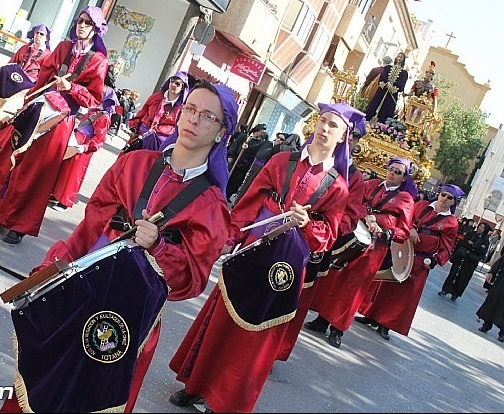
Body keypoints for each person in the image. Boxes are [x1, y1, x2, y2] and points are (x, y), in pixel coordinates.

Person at [0, 80, 236, 413]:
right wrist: (52, 270)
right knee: (42, 385)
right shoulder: (135, 162)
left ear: (222, 131)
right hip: (83, 291)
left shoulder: (212, 205)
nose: (194, 120)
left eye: (208, 116)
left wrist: (159, 248)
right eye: (191, 109)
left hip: (128, 319)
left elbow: (192, 280)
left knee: (91, 399)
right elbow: (90, 225)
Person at [168, 102, 362, 413]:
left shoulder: (338, 186)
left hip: (285, 267)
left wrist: (307, 223)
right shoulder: (282, 160)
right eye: (322, 121)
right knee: (221, 321)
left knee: (256, 336)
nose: (324, 128)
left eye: (333, 126)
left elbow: (328, 234)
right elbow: (248, 201)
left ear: (343, 138)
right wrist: (232, 238)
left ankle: (224, 402)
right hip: (252, 250)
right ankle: (195, 386)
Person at [0, 7, 109, 245]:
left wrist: (72, 89)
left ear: (96, 29)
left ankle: (19, 226)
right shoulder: (63, 48)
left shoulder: (98, 61)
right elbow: (42, 79)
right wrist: (25, 102)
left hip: (60, 120)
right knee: (11, 158)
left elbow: (93, 98)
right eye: (80, 20)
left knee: (37, 173)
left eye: (88, 23)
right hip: (38, 108)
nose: (82, 25)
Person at [276, 117, 367, 363]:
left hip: (311, 245)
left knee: (292, 301)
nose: (349, 139)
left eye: (353, 136)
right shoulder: (299, 158)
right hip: (274, 234)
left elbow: (348, 218)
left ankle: (274, 351)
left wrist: (315, 223)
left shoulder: (353, 178)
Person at [306, 157, 415, 348]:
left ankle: (338, 328)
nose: (393, 173)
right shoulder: (371, 184)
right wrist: (367, 216)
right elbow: (355, 202)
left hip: (375, 247)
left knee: (354, 288)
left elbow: (404, 231)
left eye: (398, 172)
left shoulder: (405, 200)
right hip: (354, 235)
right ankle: (322, 320)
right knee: (336, 278)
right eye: (391, 169)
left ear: (404, 178)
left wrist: (386, 230)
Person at [355, 185, 462, 340]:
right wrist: (410, 228)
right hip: (400, 249)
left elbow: (447, 247)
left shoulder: (451, 222)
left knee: (404, 293)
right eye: (443, 195)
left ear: (454, 202)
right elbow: (406, 219)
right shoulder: (422, 205)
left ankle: (386, 324)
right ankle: (371, 315)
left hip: (420, 260)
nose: (445, 199)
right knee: (385, 283)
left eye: (449, 197)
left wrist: (435, 260)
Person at [0, 24, 52, 152]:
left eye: (41, 34)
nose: (38, 36)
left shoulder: (47, 55)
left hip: (27, 88)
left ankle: (1, 144)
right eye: (37, 33)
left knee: (12, 114)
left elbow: (44, 75)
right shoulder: (24, 48)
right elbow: (12, 63)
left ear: (46, 38)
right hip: (13, 83)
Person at [49, 75, 118, 211]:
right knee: (64, 170)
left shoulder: (104, 117)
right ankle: (56, 194)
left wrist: (85, 147)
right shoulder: (93, 111)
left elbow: (99, 140)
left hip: (83, 149)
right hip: (75, 141)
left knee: (73, 175)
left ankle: (65, 201)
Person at [124, 71, 189, 151]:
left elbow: (177, 130)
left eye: (177, 83)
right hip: (141, 136)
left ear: (182, 87)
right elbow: (142, 112)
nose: (173, 85)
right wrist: (134, 127)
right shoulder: (156, 97)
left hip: (159, 144)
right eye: (172, 81)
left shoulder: (181, 109)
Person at [230, 132, 288, 206]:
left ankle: (242, 205)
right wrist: (247, 146)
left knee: (252, 190)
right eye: (278, 137)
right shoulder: (266, 143)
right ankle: (236, 203)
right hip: (254, 168)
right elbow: (254, 149)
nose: (279, 140)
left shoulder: (278, 150)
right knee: (246, 186)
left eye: (281, 139)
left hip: (263, 172)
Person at [438, 221, 491, 301]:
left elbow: (481, 252)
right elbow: (463, 243)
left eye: (483, 227)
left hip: (470, 263)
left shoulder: (485, 240)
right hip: (460, 258)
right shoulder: (471, 234)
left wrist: (473, 247)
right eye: (480, 226)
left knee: (463, 278)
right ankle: (445, 290)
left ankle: (455, 293)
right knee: (453, 273)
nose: (480, 228)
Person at [225, 123, 268, 199]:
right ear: (257, 131)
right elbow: (235, 145)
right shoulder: (244, 136)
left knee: (236, 182)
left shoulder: (261, 143)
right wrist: (230, 155)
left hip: (245, 165)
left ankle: (227, 195)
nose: (262, 134)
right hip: (236, 160)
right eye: (262, 131)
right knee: (227, 176)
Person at [365, 51, 408, 124]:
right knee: (374, 106)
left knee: (386, 110)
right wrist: (387, 83)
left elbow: (401, 85)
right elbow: (382, 76)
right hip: (382, 91)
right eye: (398, 56)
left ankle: (381, 126)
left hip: (391, 95)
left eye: (401, 57)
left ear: (403, 60)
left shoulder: (404, 73)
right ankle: (367, 120)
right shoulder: (388, 68)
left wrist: (393, 85)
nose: (399, 58)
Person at [477, 256, 504, 342]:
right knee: (492, 301)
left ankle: (503, 333)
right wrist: (492, 272)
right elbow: (500, 261)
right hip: (501, 281)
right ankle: (487, 324)